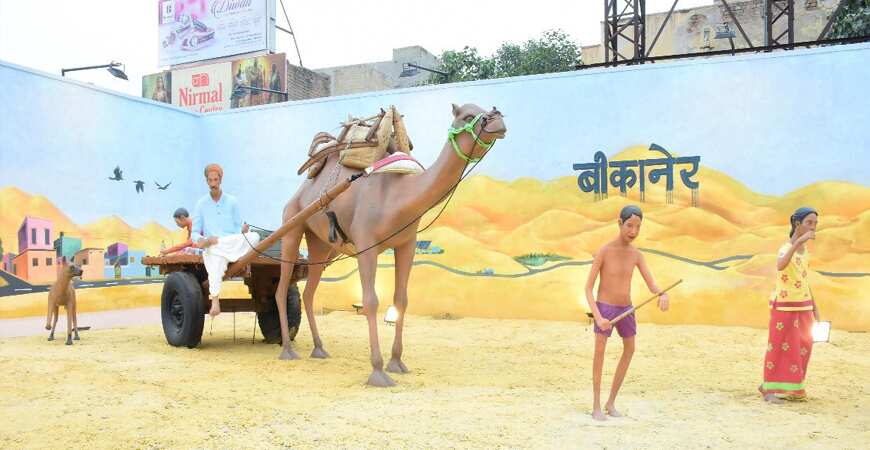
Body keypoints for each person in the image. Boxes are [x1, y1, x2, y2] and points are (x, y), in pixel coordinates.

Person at [584, 205, 670, 421]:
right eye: (630, 225)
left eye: (638, 227)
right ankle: (596, 405)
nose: (633, 231)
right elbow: (588, 288)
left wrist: (662, 294)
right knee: (600, 354)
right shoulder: (604, 251)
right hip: (605, 308)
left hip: (627, 309)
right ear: (619, 223)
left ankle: (610, 402)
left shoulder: (636, 255)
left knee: (630, 349)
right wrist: (598, 316)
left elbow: (651, 283)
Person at [760, 207, 820, 403]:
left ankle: (792, 387)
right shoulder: (786, 248)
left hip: (803, 304)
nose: (813, 227)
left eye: (815, 223)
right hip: (785, 305)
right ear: (797, 224)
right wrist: (798, 243)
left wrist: (815, 306)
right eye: (809, 223)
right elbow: (780, 265)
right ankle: (768, 389)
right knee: (778, 345)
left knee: (803, 346)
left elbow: (804, 279)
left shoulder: (806, 252)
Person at [191, 163, 260, 317]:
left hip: (230, 242)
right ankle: (215, 300)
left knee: (254, 237)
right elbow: (194, 234)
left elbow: (238, 227)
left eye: (216, 180)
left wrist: (243, 229)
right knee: (213, 253)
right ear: (207, 181)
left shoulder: (232, 201)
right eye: (210, 181)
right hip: (214, 244)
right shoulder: (201, 204)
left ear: (220, 180)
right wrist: (205, 240)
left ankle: (228, 254)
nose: (213, 184)